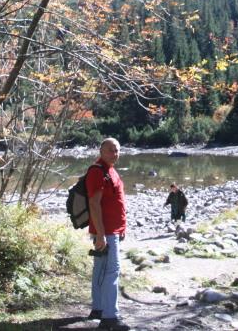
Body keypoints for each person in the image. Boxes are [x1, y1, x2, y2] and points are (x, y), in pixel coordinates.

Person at [86, 138, 129, 331]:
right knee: (112, 271)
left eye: (117, 150)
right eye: (110, 150)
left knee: (101, 270)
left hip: (112, 231)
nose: (115, 154)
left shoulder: (110, 169)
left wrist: (122, 228)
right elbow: (94, 204)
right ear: (101, 152)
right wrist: (101, 235)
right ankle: (110, 317)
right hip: (106, 232)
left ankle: (98, 309)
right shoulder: (97, 171)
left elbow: (115, 202)